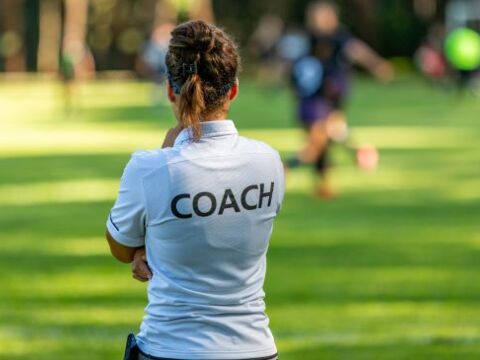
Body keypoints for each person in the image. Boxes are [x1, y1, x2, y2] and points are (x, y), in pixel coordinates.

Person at [105, 20, 284, 360]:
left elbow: (120, 246)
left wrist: (144, 248)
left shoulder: (149, 168)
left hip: (169, 349)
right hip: (255, 349)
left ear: (171, 90)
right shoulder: (268, 161)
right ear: (233, 90)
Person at [287, 1, 393, 198]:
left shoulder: (338, 38)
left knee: (324, 142)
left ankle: (324, 185)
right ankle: (283, 169)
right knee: (318, 143)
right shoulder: (308, 39)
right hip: (314, 101)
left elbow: (358, 50)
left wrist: (377, 65)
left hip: (330, 99)